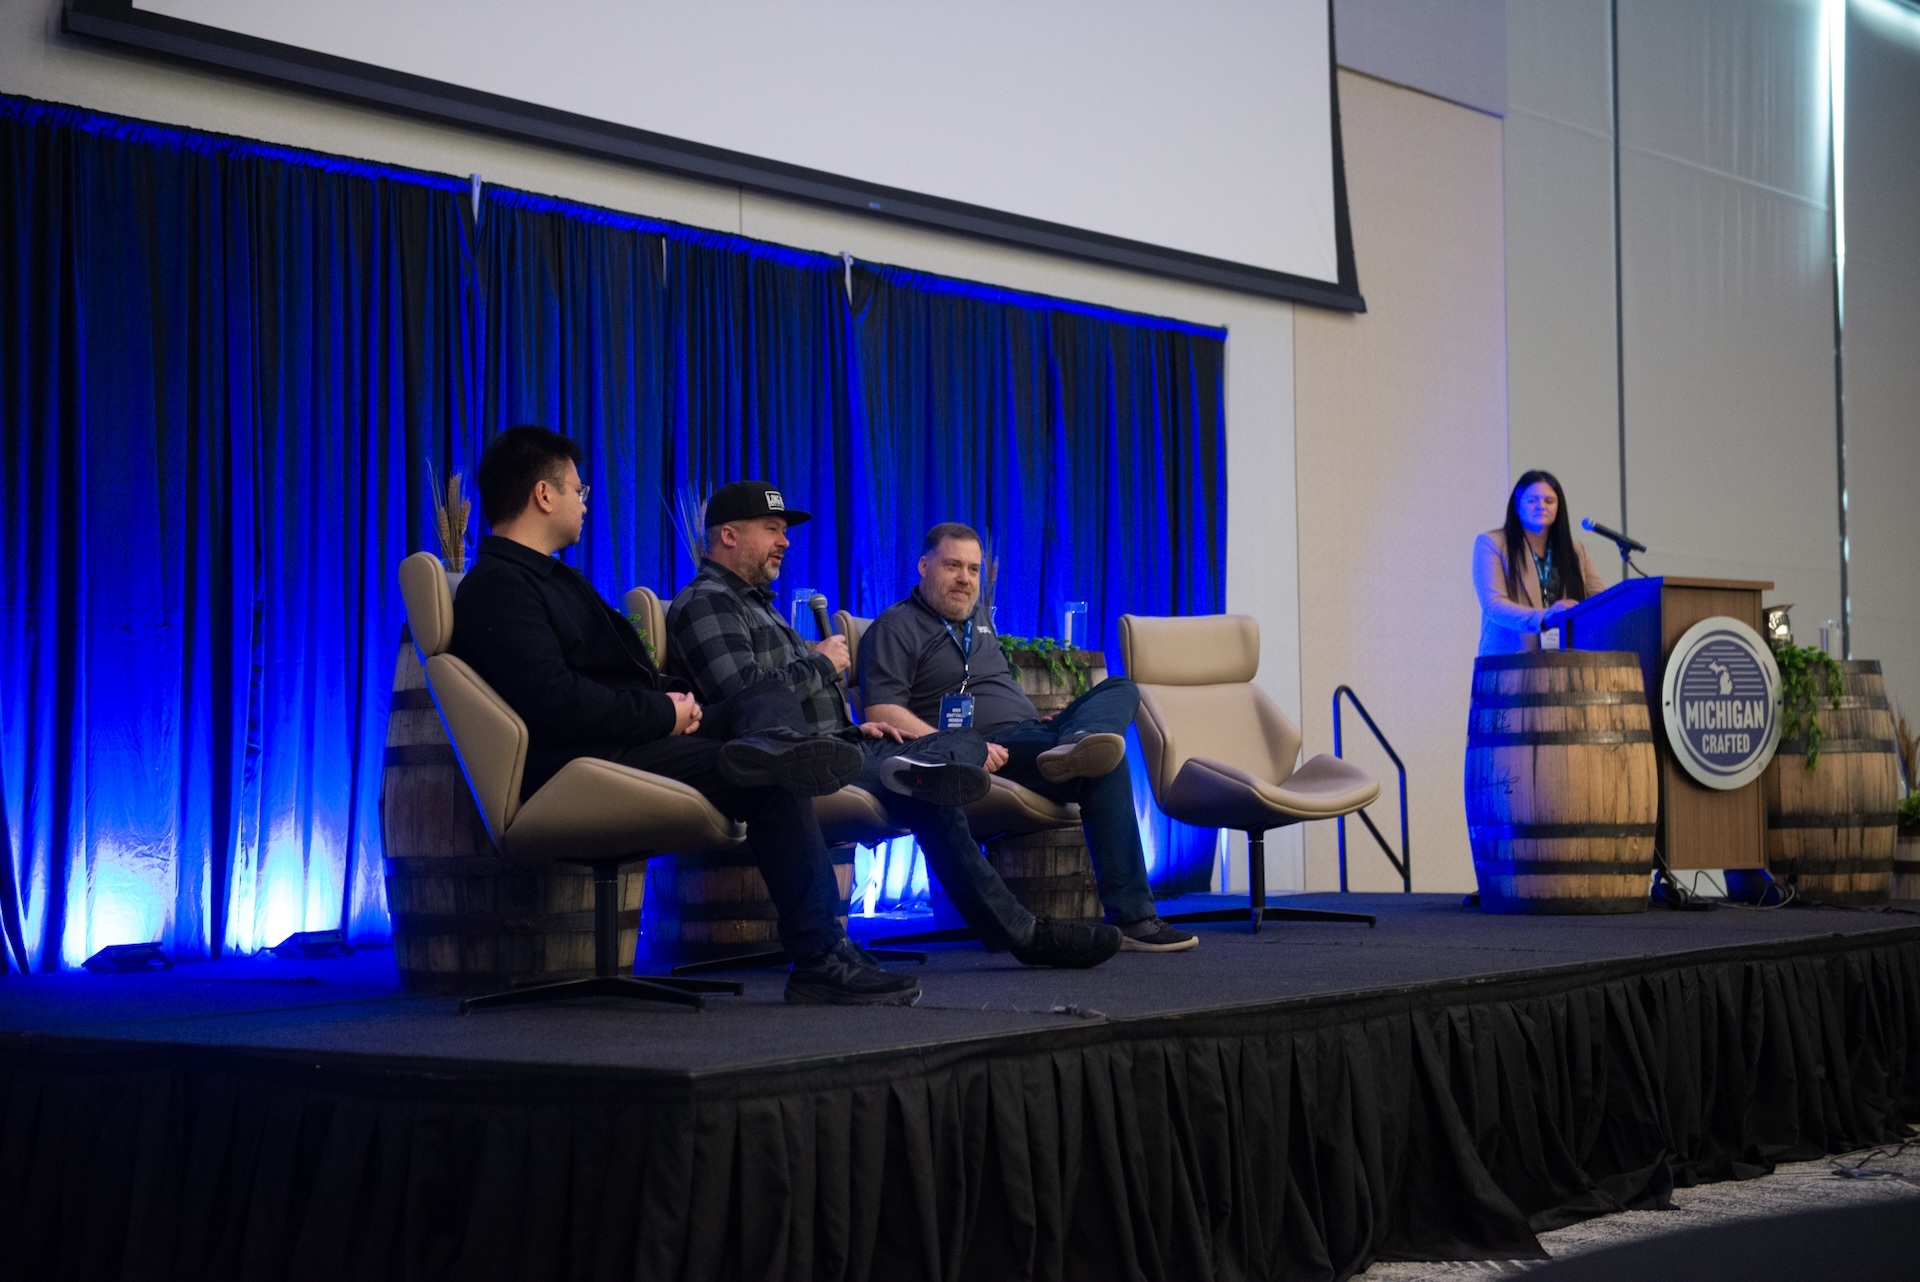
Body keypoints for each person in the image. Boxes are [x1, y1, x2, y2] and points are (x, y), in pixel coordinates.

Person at [449, 428, 920, 1006]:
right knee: (772, 771)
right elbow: (556, 701)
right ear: (544, 495)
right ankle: (820, 955)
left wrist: (682, 705)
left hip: (628, 736)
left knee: (758, 706)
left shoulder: (550, 577)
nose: (585, 501)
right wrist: (660, 713)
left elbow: (606, 680)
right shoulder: (500, 586)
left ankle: (800, 748)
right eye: (578, 488)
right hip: (592, 759)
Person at [667, 485, 1122, 968]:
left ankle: (1023, 928)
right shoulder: (706, 602)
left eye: (785, 532)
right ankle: (1025, 932)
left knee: (936, 777)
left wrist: (852, 729)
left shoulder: (755, 603)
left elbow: (782, 699)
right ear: (730, 536)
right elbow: (747, 698)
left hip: (835, 747)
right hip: (788, 764)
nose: (785, 542)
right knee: (937, 771)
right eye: (772, 530)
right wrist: (820, 664)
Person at [858, 523, 1198, 953]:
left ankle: (1079, 738)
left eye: (973, 569)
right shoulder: (895, 627)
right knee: (1106, 765)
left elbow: (995, 691)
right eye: (952, 566)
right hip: (986, 749)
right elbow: (882, 713)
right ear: (924, 567)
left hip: (1032, 733)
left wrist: (1050, 722)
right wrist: (965, 748)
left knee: (1122, 688)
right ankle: (1133, 917)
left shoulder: (978, 620)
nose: (965, 578)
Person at [1473, 469, 1608, 655]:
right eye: (1532, 500)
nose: (1541, 506)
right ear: (1516, 505)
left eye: (1549, 501)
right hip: (1509, 661)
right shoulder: (1492, 544)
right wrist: (1544, 616)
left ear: (1558, 507)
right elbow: (1493, 605)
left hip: (1567, 661)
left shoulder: (1576, 550)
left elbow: (1600, 598)